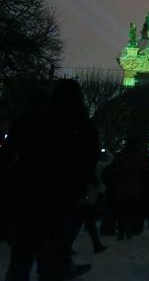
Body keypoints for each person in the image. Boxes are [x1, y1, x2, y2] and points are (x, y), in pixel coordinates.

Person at [1, 78, 98, 281]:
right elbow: (88, 158)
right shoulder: (80, 122)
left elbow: (9, 153)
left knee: (24, 248)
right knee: (53, 247)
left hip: (28, 189)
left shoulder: (30, 119)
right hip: (62, 193)